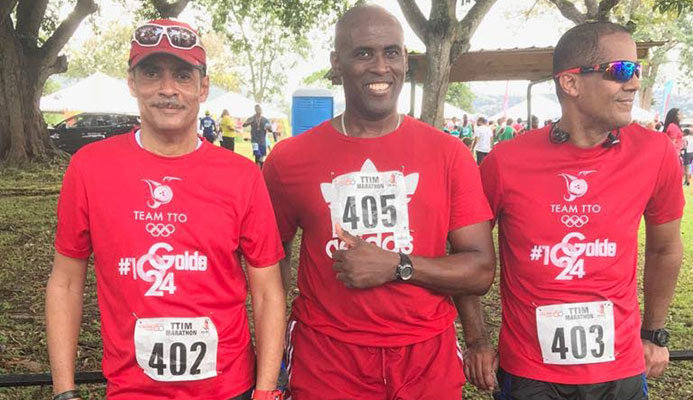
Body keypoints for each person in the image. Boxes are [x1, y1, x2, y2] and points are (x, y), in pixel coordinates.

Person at [262, 4, 496, 399]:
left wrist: (397, 266)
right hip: (328, 359)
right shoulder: (289, 160)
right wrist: (277, 341)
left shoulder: (448, 154)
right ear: (336, 63)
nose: (381, 66)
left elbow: (479, 270)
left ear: (406, 59)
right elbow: (269, 259)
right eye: (363, 53)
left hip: (426, 358)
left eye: (392, 52)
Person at [45, 19, 286, 400]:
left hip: (228, 388)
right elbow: (66, 282)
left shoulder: (241, 176)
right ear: (132, 82)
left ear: (203, 87)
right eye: (152, 73)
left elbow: (268, 290)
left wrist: (266, 390)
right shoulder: (90, 168)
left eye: (182, 76)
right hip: (132, 390)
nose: (168, 90)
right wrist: (64, 390)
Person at [459, 21, 684, 400]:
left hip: (621, 369)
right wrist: (478, 340)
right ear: (571, 83)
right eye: (621, 71)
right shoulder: (505, 161)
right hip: (531, 372)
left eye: (636, 71)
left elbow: (665, 248)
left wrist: (653, 332)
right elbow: (466, 254)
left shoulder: (655, 152)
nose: (633, 84)